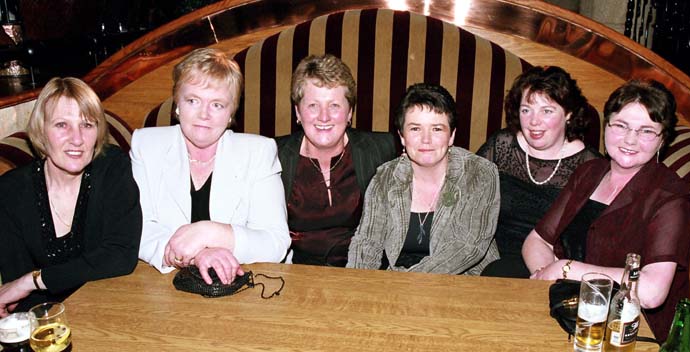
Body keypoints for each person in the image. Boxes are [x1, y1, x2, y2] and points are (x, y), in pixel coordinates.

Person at [522, 80, 690, 341]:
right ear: (606, 126)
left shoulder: (670, 196)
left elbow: (650, 292)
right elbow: (537, 239)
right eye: (621, 126)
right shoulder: (590, 172)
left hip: (628, 330)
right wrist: (552, 282)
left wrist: (566, 270)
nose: (630, 139)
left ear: (662, 140)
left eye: (646, 131)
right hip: (570, 313)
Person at [131, 48, 289, 284]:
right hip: (164, 286)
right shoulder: (147, 145)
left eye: (217, 105)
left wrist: (210, 232)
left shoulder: (258, 152)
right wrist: (199, 254)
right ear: (177, 105)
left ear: (231, 113)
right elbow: (137, 228)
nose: (204, 114)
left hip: (248, 286)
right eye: (193, 100)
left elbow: (275, 242)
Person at [0, 77, 142, 317]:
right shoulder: (11, 191)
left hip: (110, 308)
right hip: (48, 321)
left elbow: (121, 255)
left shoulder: (111, 168)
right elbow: (19, 296)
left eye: (87, 125)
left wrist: (34, 280)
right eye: (61, 125)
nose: (77, 139)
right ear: (41, 130)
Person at [347, 83, 500, 274]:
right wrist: (354, 286)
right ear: (402, 136)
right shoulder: (385, 178)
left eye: (437, 129)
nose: (426, 139)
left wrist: (408, 283)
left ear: (451, 135)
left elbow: (467, 247)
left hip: (465, 284)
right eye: (415, 129)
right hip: (398, 280)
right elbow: (367, 243)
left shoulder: (480, 174)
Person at [478, 66, 601, 278]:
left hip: (548, 263)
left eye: (547, 111)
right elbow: (466, 189)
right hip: (490, 255)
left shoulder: (589, 165)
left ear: (569, 114)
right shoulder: (502, 145)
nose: (534, 121)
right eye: (526, 110)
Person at [276, 54, 395, 266]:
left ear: (350, 112)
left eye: (334, 106)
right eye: (313, 105)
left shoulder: (383, 149)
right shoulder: (273, 156)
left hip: (364, 274)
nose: (324, 117)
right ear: (297, 111)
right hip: (295, 276)